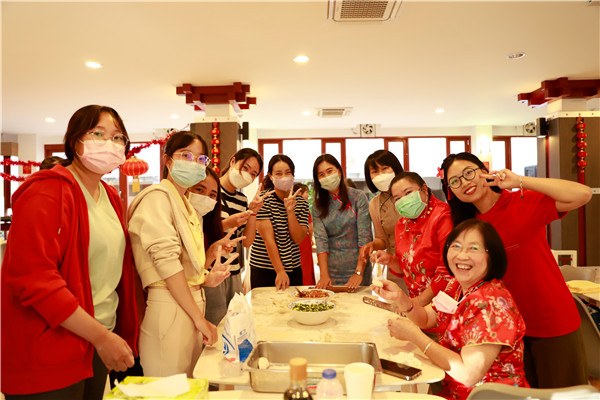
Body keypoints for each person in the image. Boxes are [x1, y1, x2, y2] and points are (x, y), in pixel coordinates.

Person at [1, 105, 138, 400]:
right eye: (98, 133)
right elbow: (34, 277)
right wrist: (101, 336)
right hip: (51, 345)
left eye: (118, 137)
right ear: (75, 141)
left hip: (97, 339)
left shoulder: (110, 195)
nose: (110, 143)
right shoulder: (47, 191)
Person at [440, 151, 592, 388]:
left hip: (550, 322)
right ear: (451, 190)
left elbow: (583, 194)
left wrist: (520, 181)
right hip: (503, 334)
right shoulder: (468, 228)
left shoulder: (520, 201)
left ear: (484, 171)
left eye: (468, 173)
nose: (464, 182)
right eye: (455, 181)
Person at [374, 219, 528, 399]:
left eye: (473, 248)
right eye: (456, 246)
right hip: (454, 391)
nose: (462, 255)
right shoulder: (455, 286)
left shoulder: (490, 304)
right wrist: (400, 297)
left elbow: (468, 374)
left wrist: (414, 336)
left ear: (492, 255)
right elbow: (426, 318)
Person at [128, 130, 238, 377]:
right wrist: (199, 318)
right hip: (169, 304)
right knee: (169, 385)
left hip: (188, 303)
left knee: (189, 382)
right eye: (186, 156)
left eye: (200, 159)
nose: (194, 163)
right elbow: (166, 264)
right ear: (168, 161)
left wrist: (205, 277)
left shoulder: (185, 204)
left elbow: (184, 268)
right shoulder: (157, 198)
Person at [205, 149, 271, 324]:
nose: (248, 174)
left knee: (234, 324)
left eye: (253, 173)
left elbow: (247, 241)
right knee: (214, 323)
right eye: (246, 167)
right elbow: (200, 230)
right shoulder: (210, 190)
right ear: (233, 161)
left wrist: (253, 212)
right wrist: (228, 223)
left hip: (233, 271)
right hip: (210, 269)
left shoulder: (241, 200)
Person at [371, 171, 453, 306]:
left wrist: (417, 303)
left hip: (444, 303)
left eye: (408, 193)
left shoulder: (443, 216)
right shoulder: (402, 224)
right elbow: (405, 268)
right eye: (397, 198)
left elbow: (448, 269)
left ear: (424, 189)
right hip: (416, 303)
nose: (404, 200)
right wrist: (390, 260)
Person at [248, 154, 309, 290]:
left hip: (293, 266)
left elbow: (298, 238)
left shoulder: (302, 203)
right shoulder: (262, 200)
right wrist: (280, 271)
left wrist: (290, 211)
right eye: (278, 174)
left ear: (293, 175)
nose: (284, 177)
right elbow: (268, 239)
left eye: (288, 173)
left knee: (293, 302)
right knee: (265, 303)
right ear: (271, 176)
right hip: (263, 267)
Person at [312, 154, 373, 289]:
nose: (327, 176)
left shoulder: (358, 197)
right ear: (318, 179)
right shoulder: (317, 206)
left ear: (339, 171)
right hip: (331, 272)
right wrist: (324, 274)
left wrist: (358, 272)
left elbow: (365, 237)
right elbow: (321, 241)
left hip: (359, 269)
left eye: (330, 171)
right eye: (321, 174)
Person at [360, 150, 406, 290]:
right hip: (395, 266)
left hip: (422, 264)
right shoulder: (375, 203)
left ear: (395, 168)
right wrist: (372, 245)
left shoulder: (411, 194)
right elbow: (383, 239)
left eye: (385, 168)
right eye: (375, 171)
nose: (380, 175)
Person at [293, 182, 316, 285]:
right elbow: (310, 227)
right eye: (306, 192)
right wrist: (310, 238)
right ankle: (307, 284)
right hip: (303, 239)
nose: (308, 195)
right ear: (299, 193)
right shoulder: (304, 206)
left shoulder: (289, 205)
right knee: (306, 265)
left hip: (292, 240)